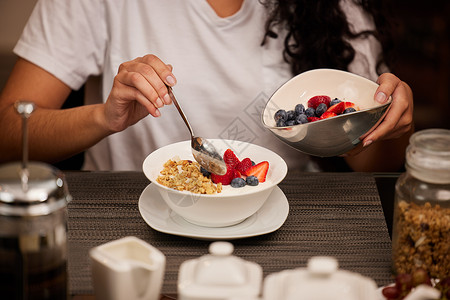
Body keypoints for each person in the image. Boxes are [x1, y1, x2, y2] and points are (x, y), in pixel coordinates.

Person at [0, 0, 413, 172]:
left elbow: (376, 164)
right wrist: (102, 117)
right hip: (129, 238)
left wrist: (386, 124)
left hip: (285, 239)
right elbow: (6, 133)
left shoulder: (335, 14)